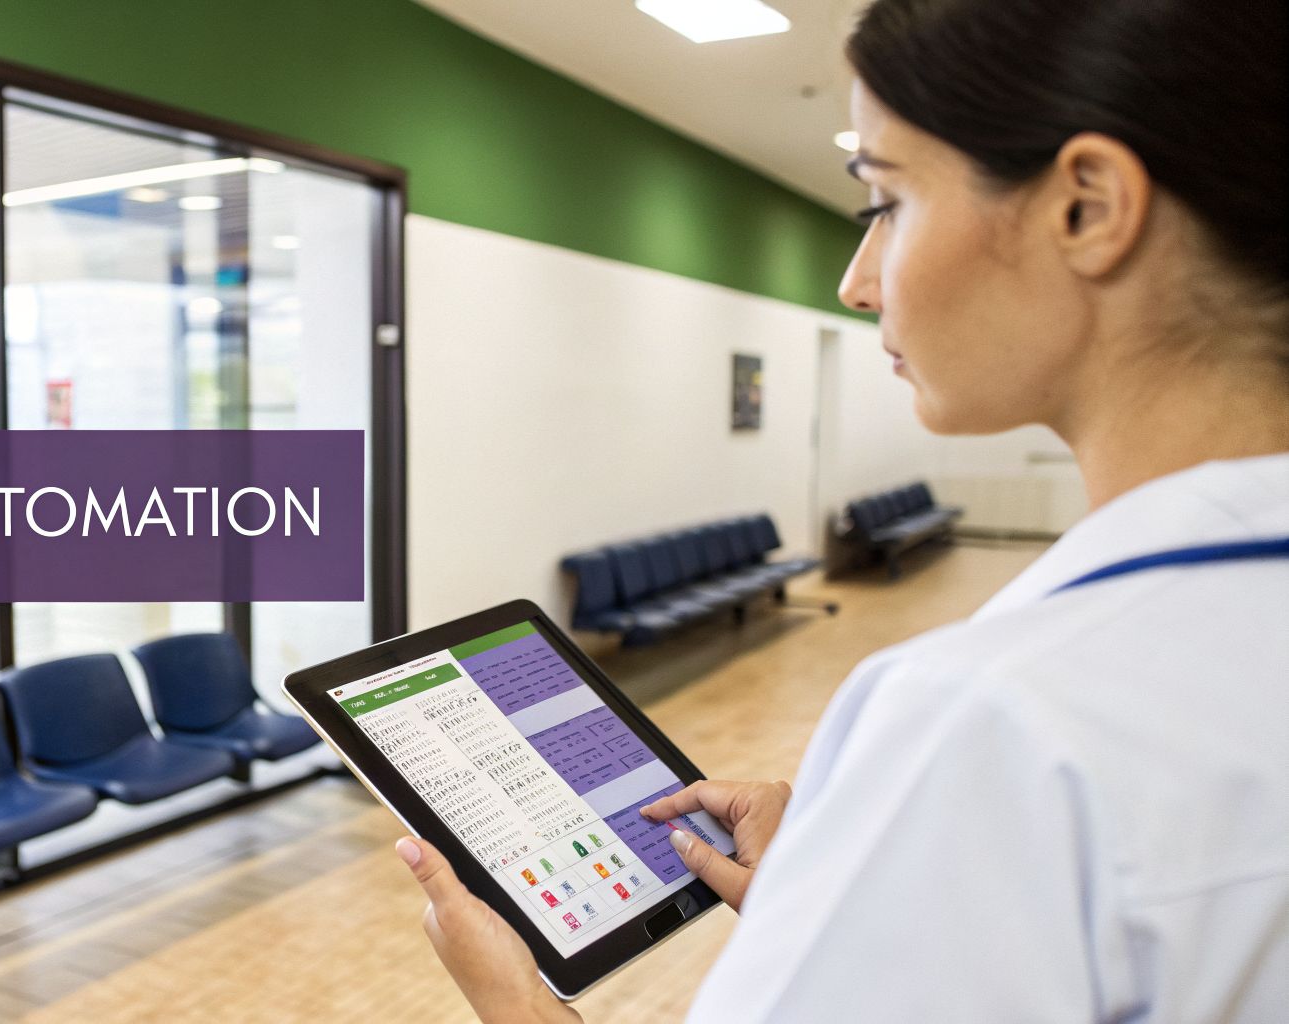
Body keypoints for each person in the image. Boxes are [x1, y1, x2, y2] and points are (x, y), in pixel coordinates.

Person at [393, 0, 1289, 1019]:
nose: (856, 283)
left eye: (883, 203)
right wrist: (856, 900)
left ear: (1084, 206)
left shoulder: (991, 723)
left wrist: (513, 995)